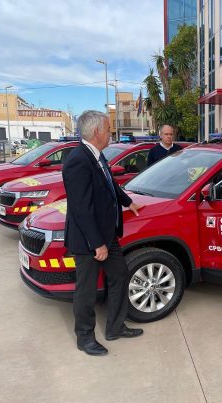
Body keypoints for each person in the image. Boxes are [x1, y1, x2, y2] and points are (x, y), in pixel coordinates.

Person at [62, 110, 143, 356]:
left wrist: (128, 202)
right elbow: (81, 208)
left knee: (119, 274)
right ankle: (84, 338)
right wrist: (97, 243)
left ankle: (115, 327)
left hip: (108, 234)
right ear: (97, 132)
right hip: (89, 240)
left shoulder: (97, 156)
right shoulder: (78, 159)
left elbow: (110, 185)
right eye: (108, 129)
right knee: (85, 291)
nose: (111, 133)